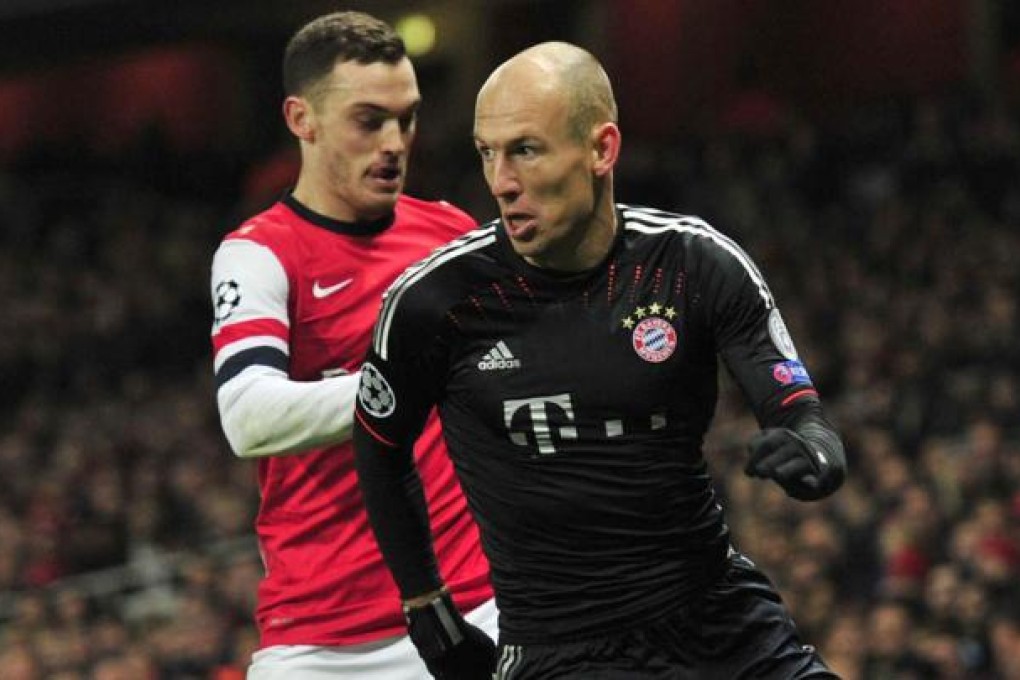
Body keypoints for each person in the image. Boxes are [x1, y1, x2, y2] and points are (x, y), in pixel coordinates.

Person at [353, 41, 847, 679]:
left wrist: (814, 452)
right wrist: (427, 611)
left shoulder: (695, 265)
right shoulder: (435, 303)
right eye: (487, 153)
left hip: (722, 624)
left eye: (525, 150)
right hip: (563, 653)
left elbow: (802, 414)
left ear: (601, 148)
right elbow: (377, 447)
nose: (502, 181)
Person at [209, 11, 495, 679]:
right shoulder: (259, 255)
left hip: (475, 605)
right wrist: (412, 380)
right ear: (301, 120)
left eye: (408, 118)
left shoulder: (451, 235)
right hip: (319, 639)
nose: (395, 142)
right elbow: (248, 418)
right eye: (369, 121)